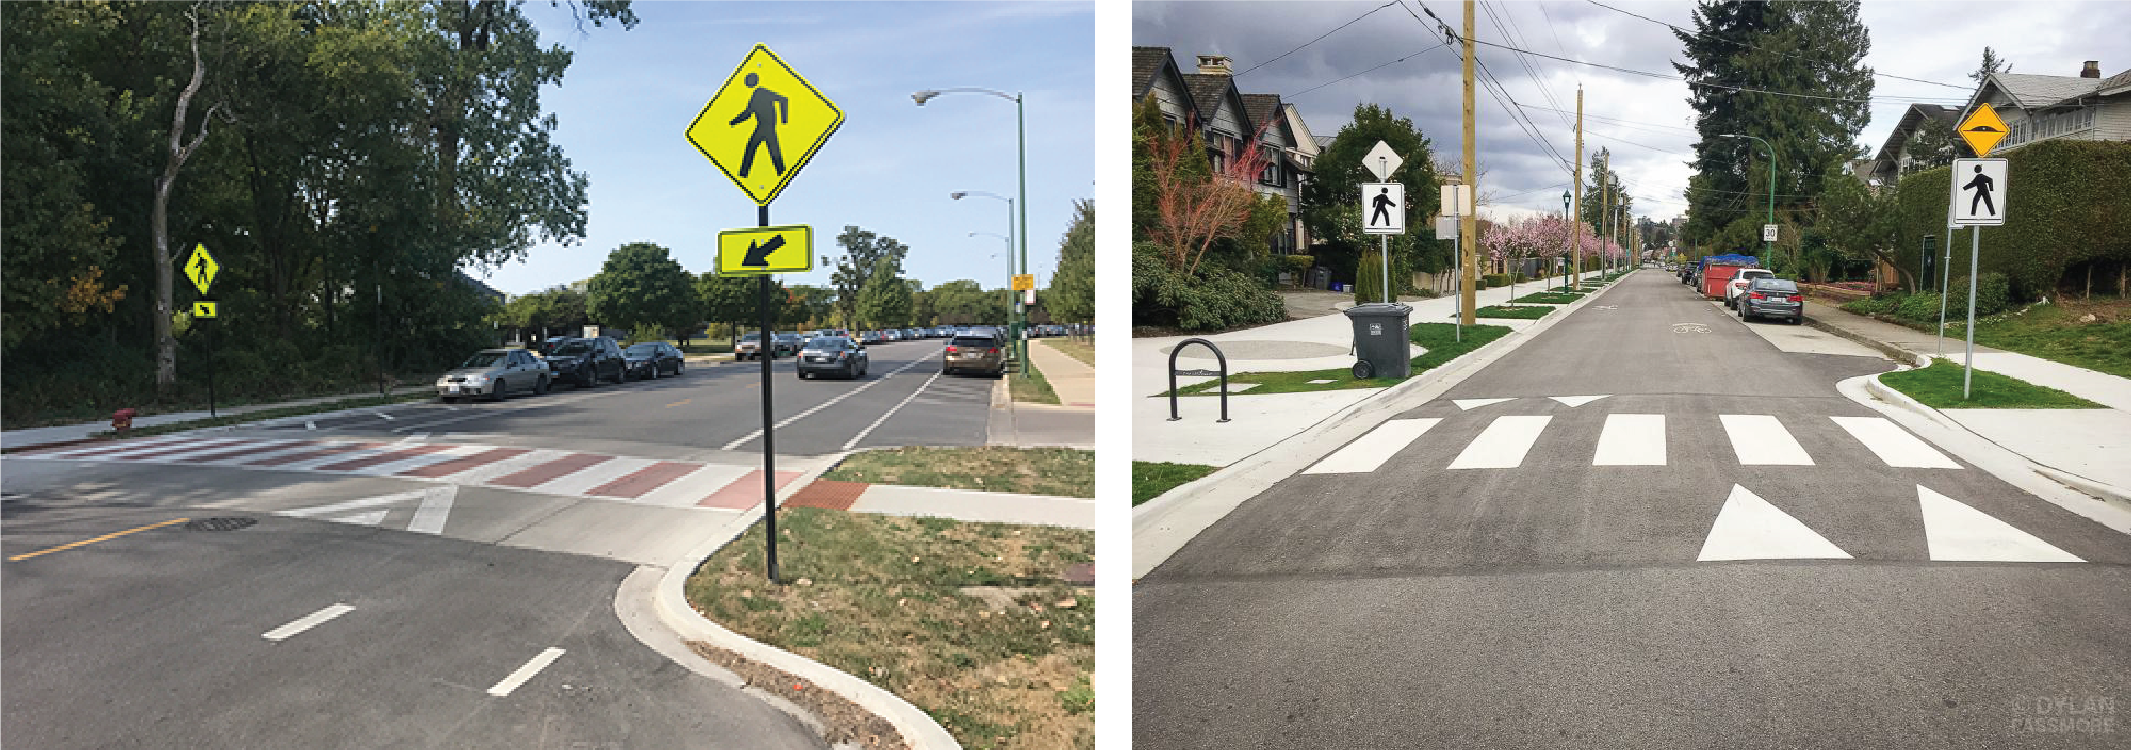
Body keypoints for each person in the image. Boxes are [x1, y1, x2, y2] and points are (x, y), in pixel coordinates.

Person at [730, 72, 788, 178]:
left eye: (748, 81)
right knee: (763, 148)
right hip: (762, 126)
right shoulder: (755, 95)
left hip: (767, 126)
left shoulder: (761, 92)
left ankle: (744, 173)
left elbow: (783, 99)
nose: (746, 83)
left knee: (759, 148)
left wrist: (784, 119)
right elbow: (748, 113)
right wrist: (734, 122)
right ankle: (780, 172)